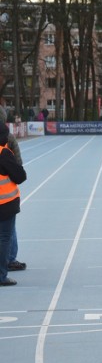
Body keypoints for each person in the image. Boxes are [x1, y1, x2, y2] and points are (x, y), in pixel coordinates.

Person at [0, 114, 27, 286]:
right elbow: (20, 175)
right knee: (4, 238)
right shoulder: (4, 153)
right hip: (4, 204)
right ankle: (2, 275)